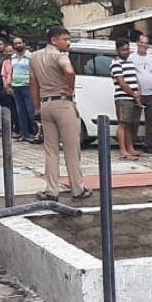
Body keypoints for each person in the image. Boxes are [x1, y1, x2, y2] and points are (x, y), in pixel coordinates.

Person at [29, 27, 90, 202]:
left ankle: (51, 190)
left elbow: (33, 83)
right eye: (64, 39)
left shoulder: (34, 57)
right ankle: (77, 189)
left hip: (46, 103)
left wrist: (37, 107)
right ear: (54, 40)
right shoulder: (60, 55)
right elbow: (69, 71)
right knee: (72, 149)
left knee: (51, 150)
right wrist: (70, 88)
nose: (68, 42)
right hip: (63, 103)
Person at [109, 38, 142, 160]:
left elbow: (135, 78)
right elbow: (122, 82)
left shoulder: (130, 63)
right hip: (123, 97)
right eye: (123, 50)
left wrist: (138, 92)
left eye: (127, 49)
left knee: (129, 124)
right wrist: (134, 94)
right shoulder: (116, 64)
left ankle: (130, 148)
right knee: (123, 123)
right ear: (117, 50)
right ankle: (123, 150)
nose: (125, 52)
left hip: (132, 97)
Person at [130, 35, 152, 153]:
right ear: (137, 43)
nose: (143, 45)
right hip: (137, 93)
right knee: (134, 120)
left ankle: (148, 145)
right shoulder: (131, 57)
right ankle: (131, 144)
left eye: (145, 43)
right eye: (141, 42)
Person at [8, 38, 36, 142]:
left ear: (24, 44)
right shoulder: (13, 57)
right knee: (20, 112)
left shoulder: (31, 57)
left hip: (27, 86)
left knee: (30, 111)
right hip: (16, 86)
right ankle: (24, 134)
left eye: (19, 43)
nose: (18, 45)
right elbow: (12, 71)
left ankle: (33, 132)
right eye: (15, 43)